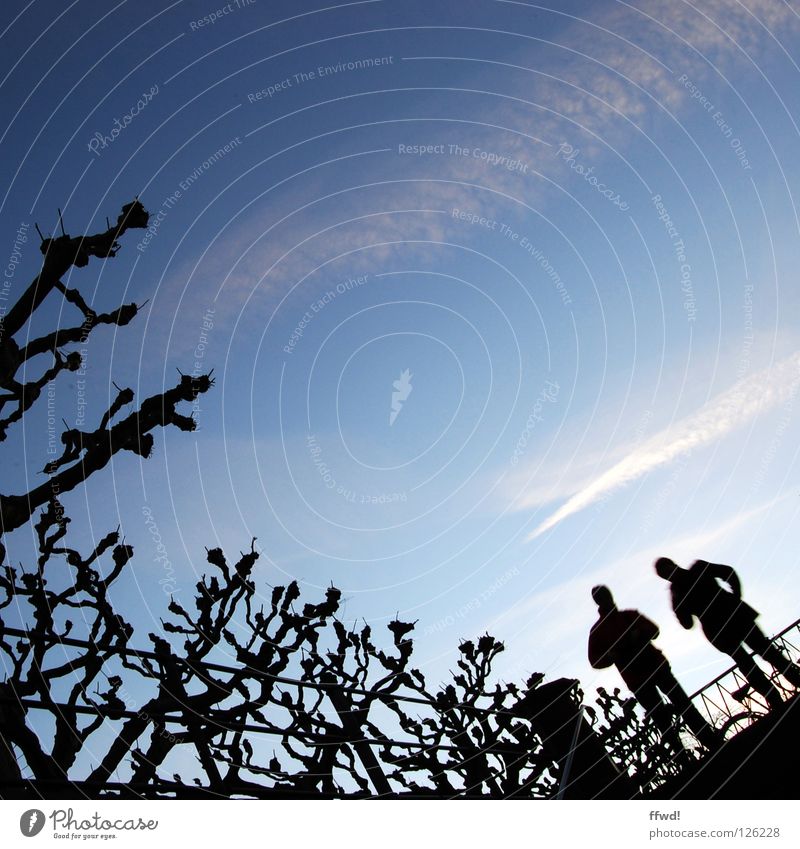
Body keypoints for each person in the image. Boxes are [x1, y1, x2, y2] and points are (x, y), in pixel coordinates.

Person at [588, 585, 720, 758]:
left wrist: (627, 643)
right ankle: (704, 747)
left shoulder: (619, 620)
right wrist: (615, 652)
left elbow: (653, 630)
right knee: (676, 710)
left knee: (671, 713)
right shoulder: (618, 621)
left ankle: (693, 753)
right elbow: (596, 660)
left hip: (647, 673)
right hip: (646, 674)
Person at [654, 557, 800, 710]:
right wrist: (735, 598)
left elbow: (687, 623)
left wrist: (734, 597)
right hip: (732, 620)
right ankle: (782, 695)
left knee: (754, 660)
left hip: (722, 627)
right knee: (763, 655)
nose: (668, 574)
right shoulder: (694, 573)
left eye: (666, 571)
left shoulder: (683, 585)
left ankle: (777, 700)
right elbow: (727, 572)